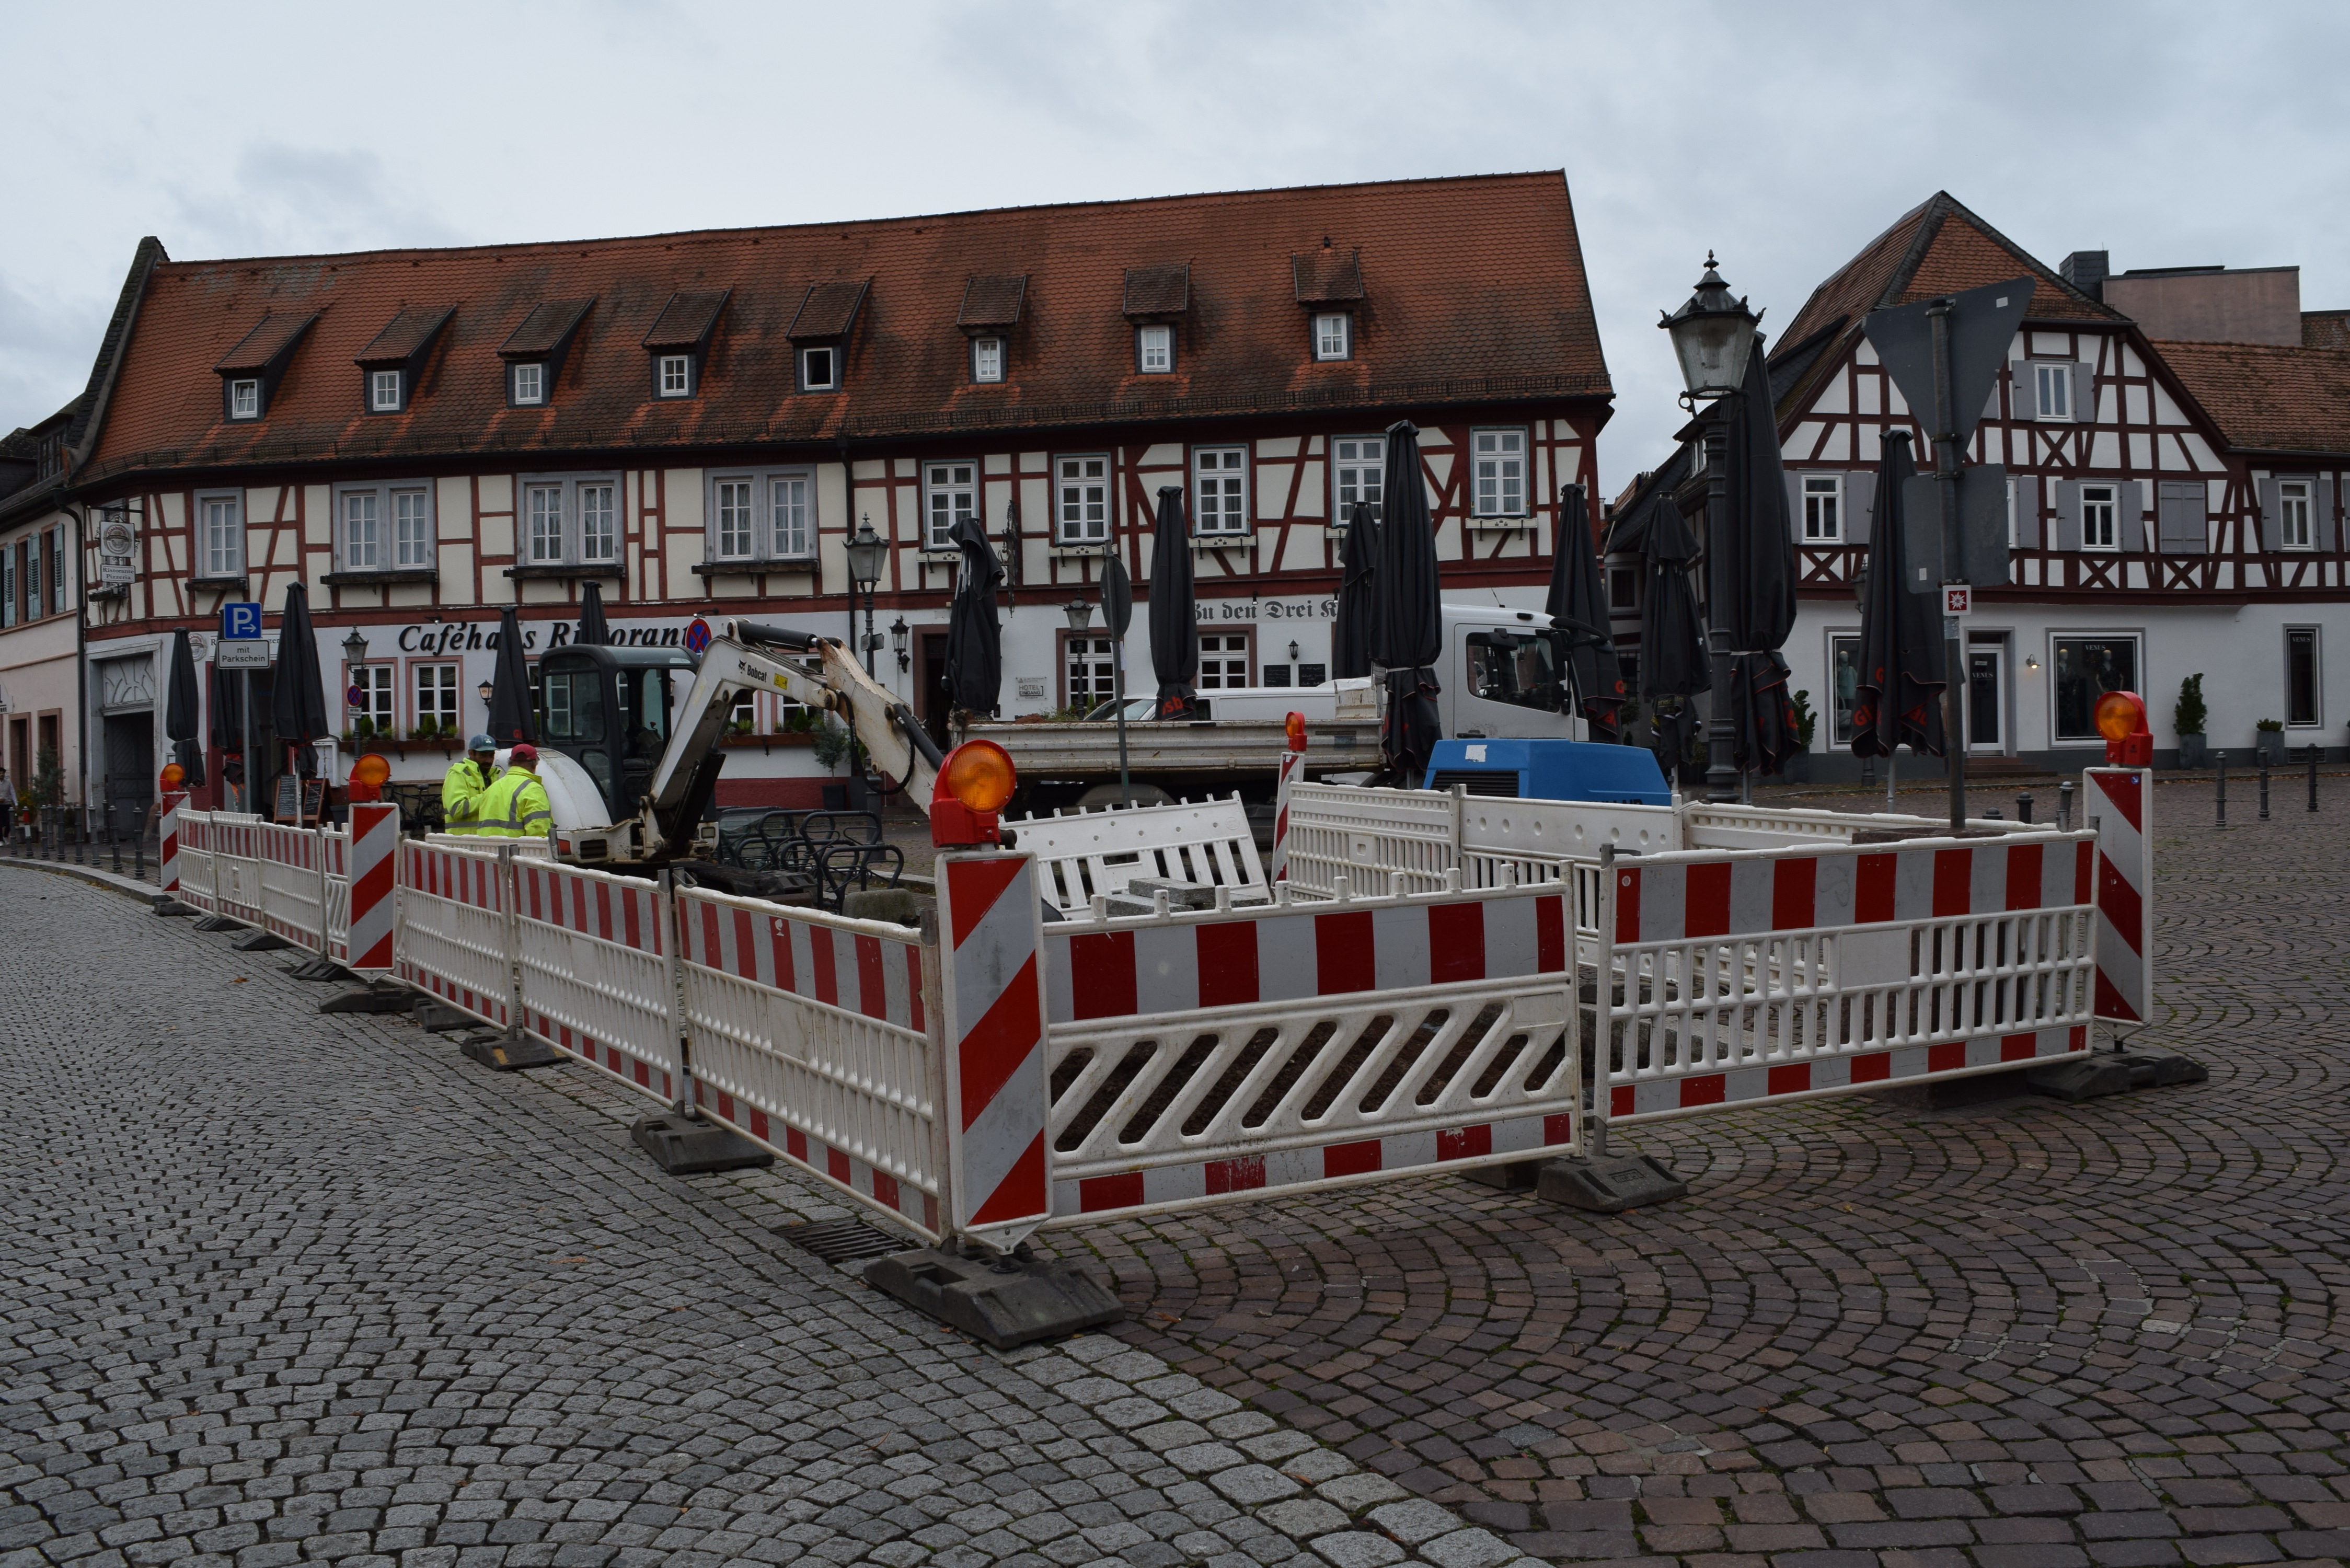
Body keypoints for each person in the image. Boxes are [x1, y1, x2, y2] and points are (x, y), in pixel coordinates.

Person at [474, 742, 554, 839]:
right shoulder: (533, 789)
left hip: (489, 851)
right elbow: (539, 832)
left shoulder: (492, 788)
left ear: (510, 763)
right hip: (517, 852)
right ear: (535, 764)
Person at [441, 733, 499, 835]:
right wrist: (489, 796)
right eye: (483, 755)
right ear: (471, 754)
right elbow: (457, 809)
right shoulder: (458, 773)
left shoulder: (491, 775)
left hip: (484, 841)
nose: (489, 760)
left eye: (492, 755)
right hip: (462, 843)